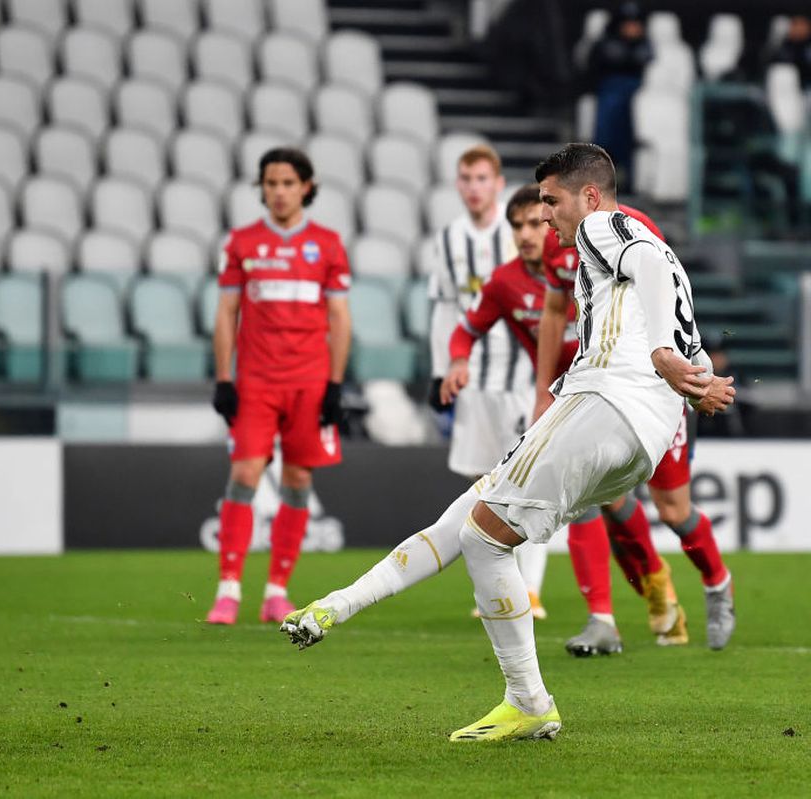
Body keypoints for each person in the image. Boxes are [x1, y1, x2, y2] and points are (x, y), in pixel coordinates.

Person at [282, 143, 735, 743]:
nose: (544, 216)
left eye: (550, 201)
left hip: (605, 404)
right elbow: (679, 324)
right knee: (467, 518)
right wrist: (698, 382)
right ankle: (337, 605)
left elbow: (646, 266)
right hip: (636, 433)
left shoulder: (603, 226)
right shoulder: (657, 261)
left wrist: (660, 355)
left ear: (589, 196)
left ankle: (529, 701)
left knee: (483, 537)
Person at [536, 209, 735, 653]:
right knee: (588, 494)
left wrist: (696, 373)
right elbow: (554, 312)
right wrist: (541, 391)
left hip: (658, 392)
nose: (545, 221)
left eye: (549, 205)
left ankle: (717, 581)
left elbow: (673, 299)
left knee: (674, 512)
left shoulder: (632, 227)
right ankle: (605, 617)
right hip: (606, 392)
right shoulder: (558, 244)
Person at [205, 147, 352, 625]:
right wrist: (223, 377)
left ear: (306, 187)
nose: (279, 192)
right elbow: (227, 312)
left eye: (288, 183)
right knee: (245, 473)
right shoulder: (242, 242)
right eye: (271, 183)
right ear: (261, 188)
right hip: (256, 382)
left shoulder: (327, 244)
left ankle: (276, 591)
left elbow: (339, 317)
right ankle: (228, 590)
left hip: (309, 382)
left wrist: (335, 384)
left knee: (298, 480)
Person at [425, 146, 547, 615]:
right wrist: (442, 369)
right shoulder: (449, 239)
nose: (473, 188)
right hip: (474, 382)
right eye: (466, 178)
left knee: (529, 484)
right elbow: (445, 309)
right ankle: (500, 588)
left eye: (481, 178)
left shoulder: (524, 229)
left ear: (497, 183)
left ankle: (529, 589)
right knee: (483, 488)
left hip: (522, 380)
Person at [585, 2, 652, 186]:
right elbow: (592, 71)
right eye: (628, 24)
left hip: (639, 102)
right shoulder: (606, 44)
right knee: (607, 134)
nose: (632, 28)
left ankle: (630, 178)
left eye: (636, 24)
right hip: (611, 100)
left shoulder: (646, 47)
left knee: (631, 138)